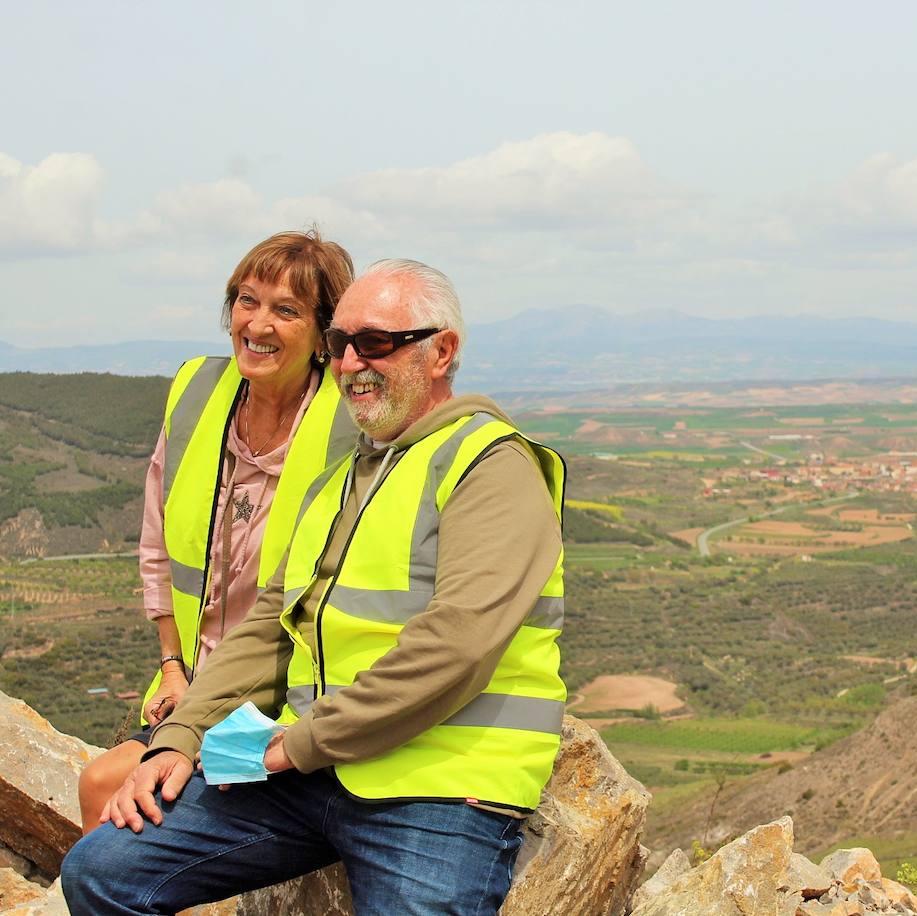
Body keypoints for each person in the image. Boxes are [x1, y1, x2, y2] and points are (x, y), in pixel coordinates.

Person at [62, 259, 566, 916]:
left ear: (442, 351)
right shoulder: (343, 480)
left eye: (377, 342)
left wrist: (293, 745)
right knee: (103, 870)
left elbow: (457, 645)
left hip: (439, 783)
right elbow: (272, 625)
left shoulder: (489, 464)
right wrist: (180, 736)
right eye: (338, 344)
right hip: (313, 771)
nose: (351, 362)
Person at [76, 230, 357, 833]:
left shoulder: (348, 425)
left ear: (323, 335)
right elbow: (159, 549)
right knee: (104, 788)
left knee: (112, 788)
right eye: (246, 300)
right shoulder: (200, 395)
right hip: (193, 682)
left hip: (285, 695)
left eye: (287, 310)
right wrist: (173, 665)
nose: (256, 323)